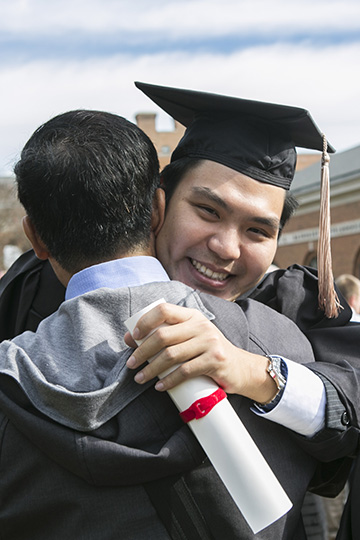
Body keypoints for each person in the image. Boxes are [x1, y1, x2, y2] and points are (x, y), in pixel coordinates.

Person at [0, 108, 357, 540]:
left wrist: (258, 373)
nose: (226, 248)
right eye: (207, 211)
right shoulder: (38, 285)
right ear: (157, 204)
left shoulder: (290, 307)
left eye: (258, 232)